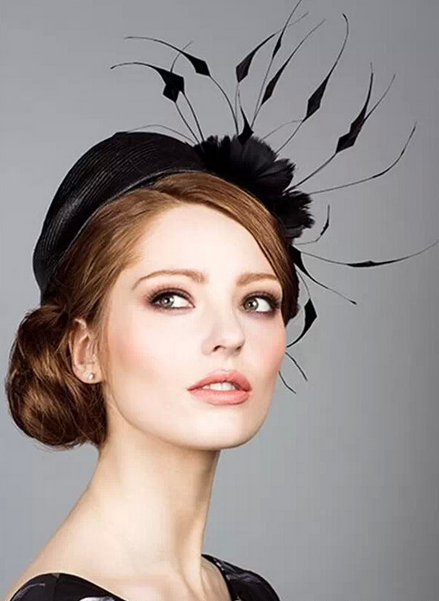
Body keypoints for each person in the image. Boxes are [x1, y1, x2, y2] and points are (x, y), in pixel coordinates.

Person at [3, 4, 437, 601]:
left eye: (257, 301)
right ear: (85, 350)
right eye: (171, 297)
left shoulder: (242, 589)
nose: (230, 334)